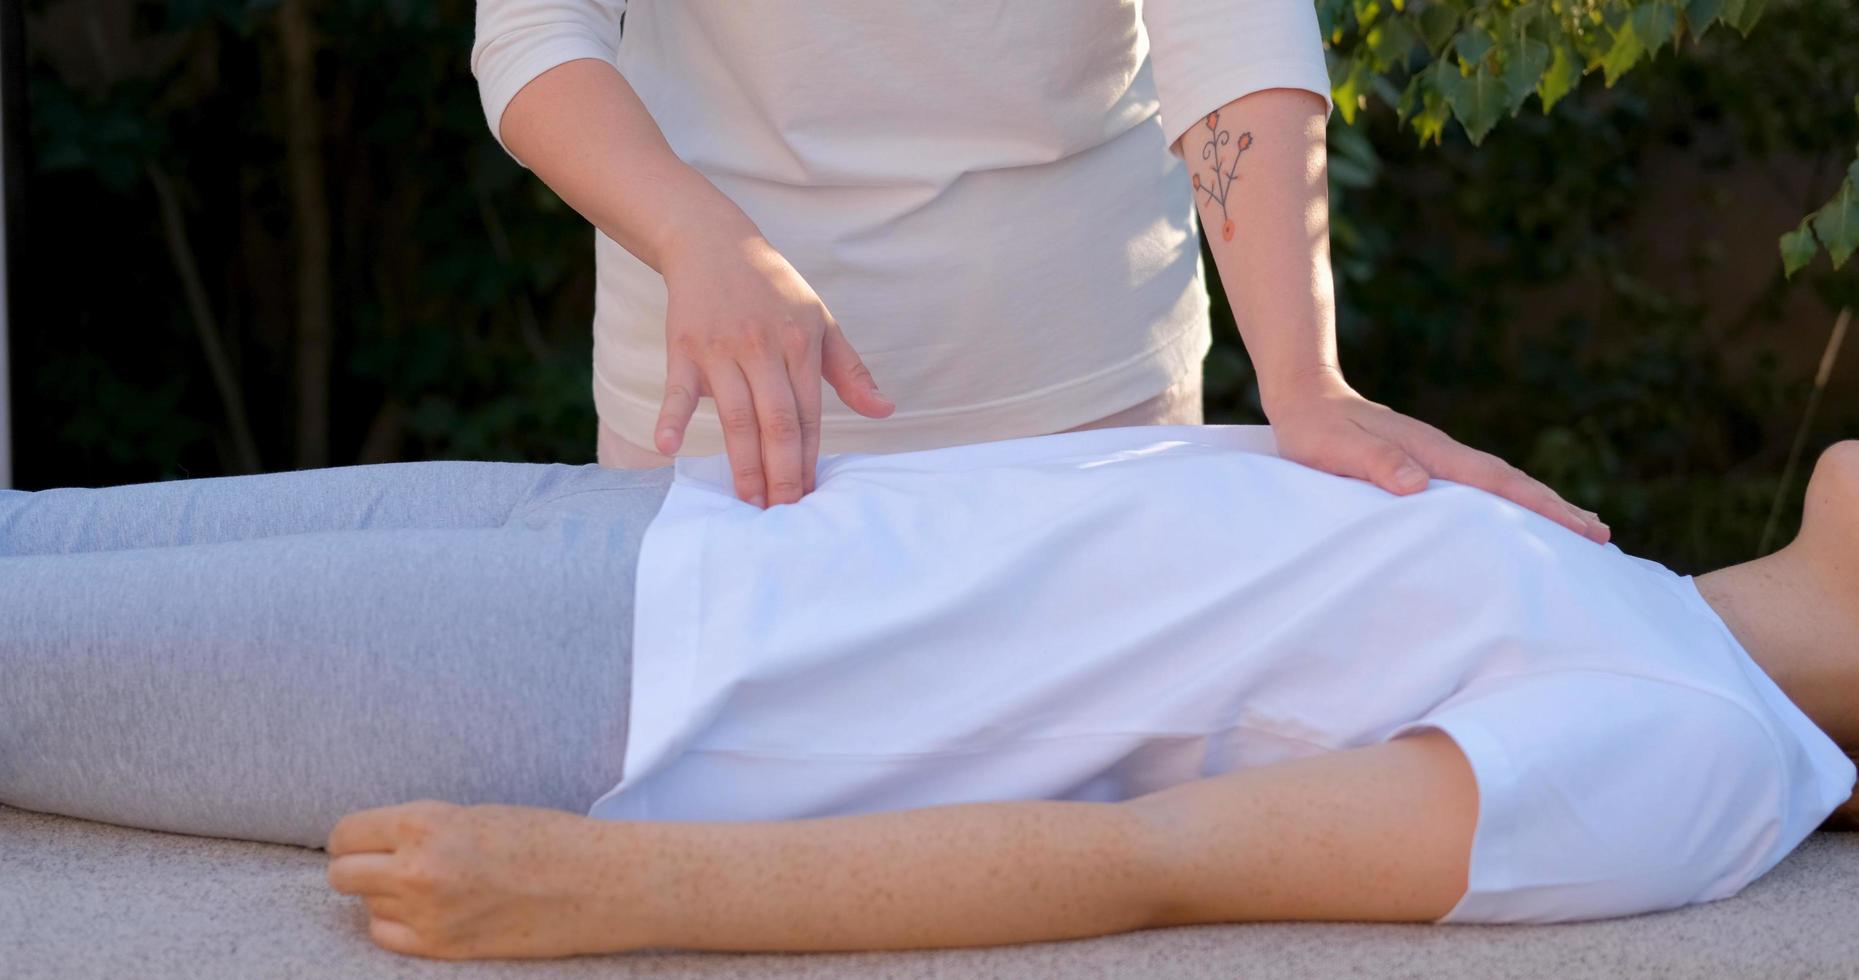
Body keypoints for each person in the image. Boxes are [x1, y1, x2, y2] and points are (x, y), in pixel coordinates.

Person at [1, 427, 1852, 961]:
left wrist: (606, 898)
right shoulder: (1639, 597)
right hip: (668, 533)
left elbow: (1162, 862)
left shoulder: (1692, 759)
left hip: (644, 689)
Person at [471, 0, 1611, 544]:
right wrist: (690, 233)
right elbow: (531, 30)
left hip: (1088, 408)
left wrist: (1305, 381)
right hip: (726, 420)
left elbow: (1230, 35)